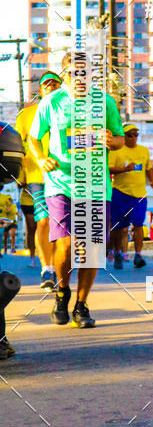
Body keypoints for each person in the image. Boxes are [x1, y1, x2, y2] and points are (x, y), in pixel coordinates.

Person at [29, 51, 124, 328]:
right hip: (60, 182)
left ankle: (81, 305)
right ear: (65, 75)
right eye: (74, 73)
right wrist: (41, 158)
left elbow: (118, 139)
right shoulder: (51, 102)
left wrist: (111, 140)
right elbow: (34, 138)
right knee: (68, 243)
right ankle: (62, 292)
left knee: (93, 248)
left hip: (96, 183)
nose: (80, 78)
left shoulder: (104, 102)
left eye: (85, 73)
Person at [15, 71, 63, 289]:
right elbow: (17, 147)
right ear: (40, 90)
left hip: (65, 175)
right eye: (46, 84)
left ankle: (60, 265)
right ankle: (47, 269)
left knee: (60, 224)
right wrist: (19, 174)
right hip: (36, 175)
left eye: (55, 84)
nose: (50, 87)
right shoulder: (26, 115)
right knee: (42, 220)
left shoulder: (69, 112)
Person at [108, 123, 153, 269]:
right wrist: (124, 169)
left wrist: (152, 180)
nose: (134, 137)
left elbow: (148, 167)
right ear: (124, 137)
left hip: (140, 195)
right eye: (130, 135)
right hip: (120, 193)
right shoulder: (116, 151)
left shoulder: (143, 150)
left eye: (136, 134)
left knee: (138, 224)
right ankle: (117, 252)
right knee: (118, 227)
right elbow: (109, 168)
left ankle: (138, 255)